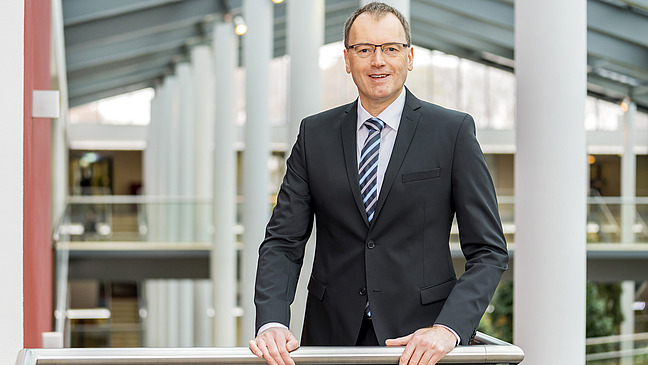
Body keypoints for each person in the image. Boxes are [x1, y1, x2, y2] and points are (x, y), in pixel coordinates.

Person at [249, 3, 508, 365]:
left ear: (409, 56)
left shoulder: (452, 133)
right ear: (347, 59)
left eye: (390, 48)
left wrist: (449, 328)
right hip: (330, 340)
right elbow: (283, 242)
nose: (377, 61)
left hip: (421, 343)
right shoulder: (314, 134)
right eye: (364, 49)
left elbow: (489, 252)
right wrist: (272, 321)